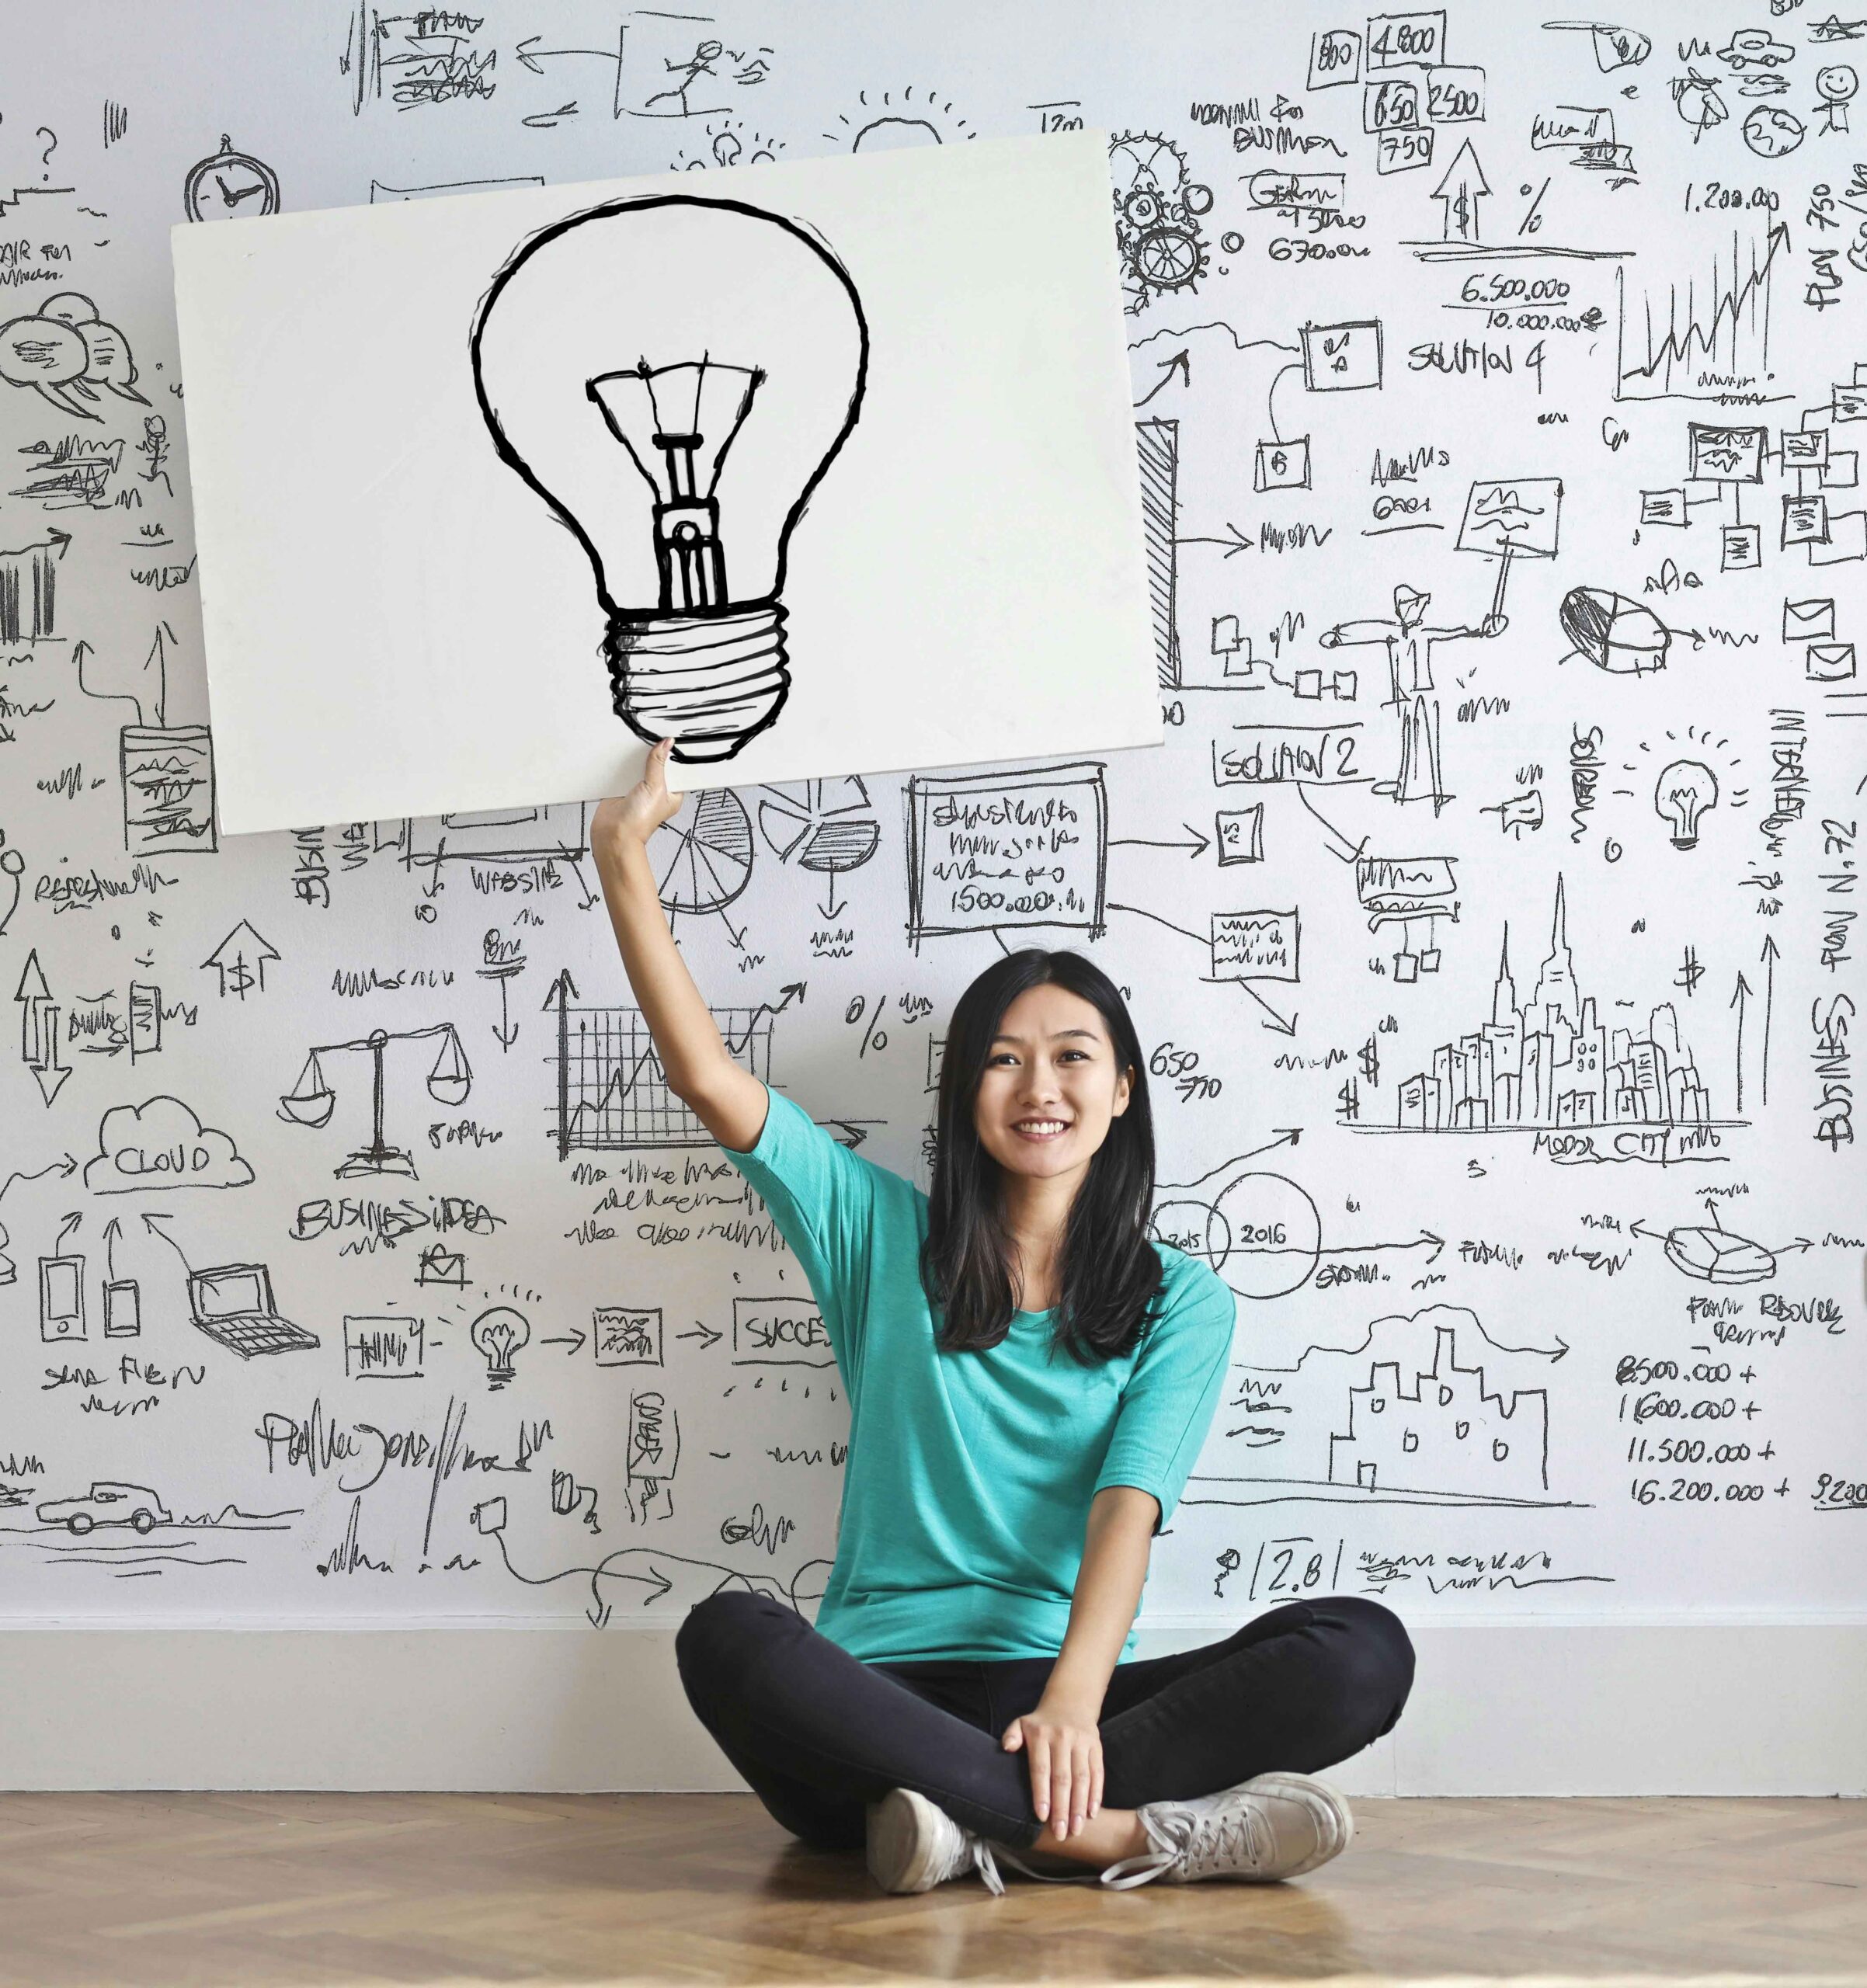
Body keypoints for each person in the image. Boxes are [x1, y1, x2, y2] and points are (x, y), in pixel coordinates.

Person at [589, 739, 1417, 1896]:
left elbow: (1126, 1511)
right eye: (1004, 1061)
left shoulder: (1184, 1298)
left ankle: (956, 1824)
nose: (1040, 1088)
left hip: (1069, 1697)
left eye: (1073, 1057)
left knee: (1360, 1651)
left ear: (1121, 1089)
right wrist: (621, 852)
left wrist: (1074, 1701)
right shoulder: (875, 1235)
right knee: (728, 1637)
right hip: (875, 1696)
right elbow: (707, 1077)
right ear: (964, 1096)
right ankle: (1115, 1840)